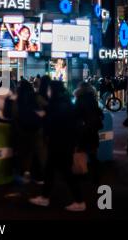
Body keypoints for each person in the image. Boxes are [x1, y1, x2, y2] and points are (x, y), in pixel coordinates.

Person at [29, 81, 86, 212]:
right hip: (64, 142)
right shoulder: (65, 101)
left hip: (60, 143)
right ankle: (45, 197)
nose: (48, 92)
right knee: (51, 170)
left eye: (49, 89)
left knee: (66, 172)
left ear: (53, 90)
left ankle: (79, 201)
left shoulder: (58, 104)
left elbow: (55, 123)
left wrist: (44, 117)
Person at [10, 80, 46, 183]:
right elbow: (47, 107)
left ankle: (26, 173)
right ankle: (40, 176)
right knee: (40, 151)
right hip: (37, 128)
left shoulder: (17, 99)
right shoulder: (36, 96)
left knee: (26, 152)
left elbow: (14, 114)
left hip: (23, 129)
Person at [73, 82, 104, 185]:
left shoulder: (79, 100)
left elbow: (76, 115)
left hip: (83, 130)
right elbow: (99, 113)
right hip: (92, 130)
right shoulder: (93, 99)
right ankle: (96, 177)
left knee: (80, 152)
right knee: (93, 154)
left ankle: (83, 174)